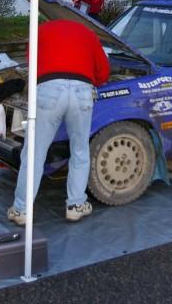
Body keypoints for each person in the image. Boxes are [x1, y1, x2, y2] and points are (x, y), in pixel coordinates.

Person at [7, 19, 110, 225]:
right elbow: (104, 73)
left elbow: (31, 63)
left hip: (49, 90)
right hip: (82, 91)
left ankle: (21, 210)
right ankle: (75, 205)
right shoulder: (89, 34)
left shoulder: (41, 31)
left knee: (34, 153)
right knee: (80, 151)